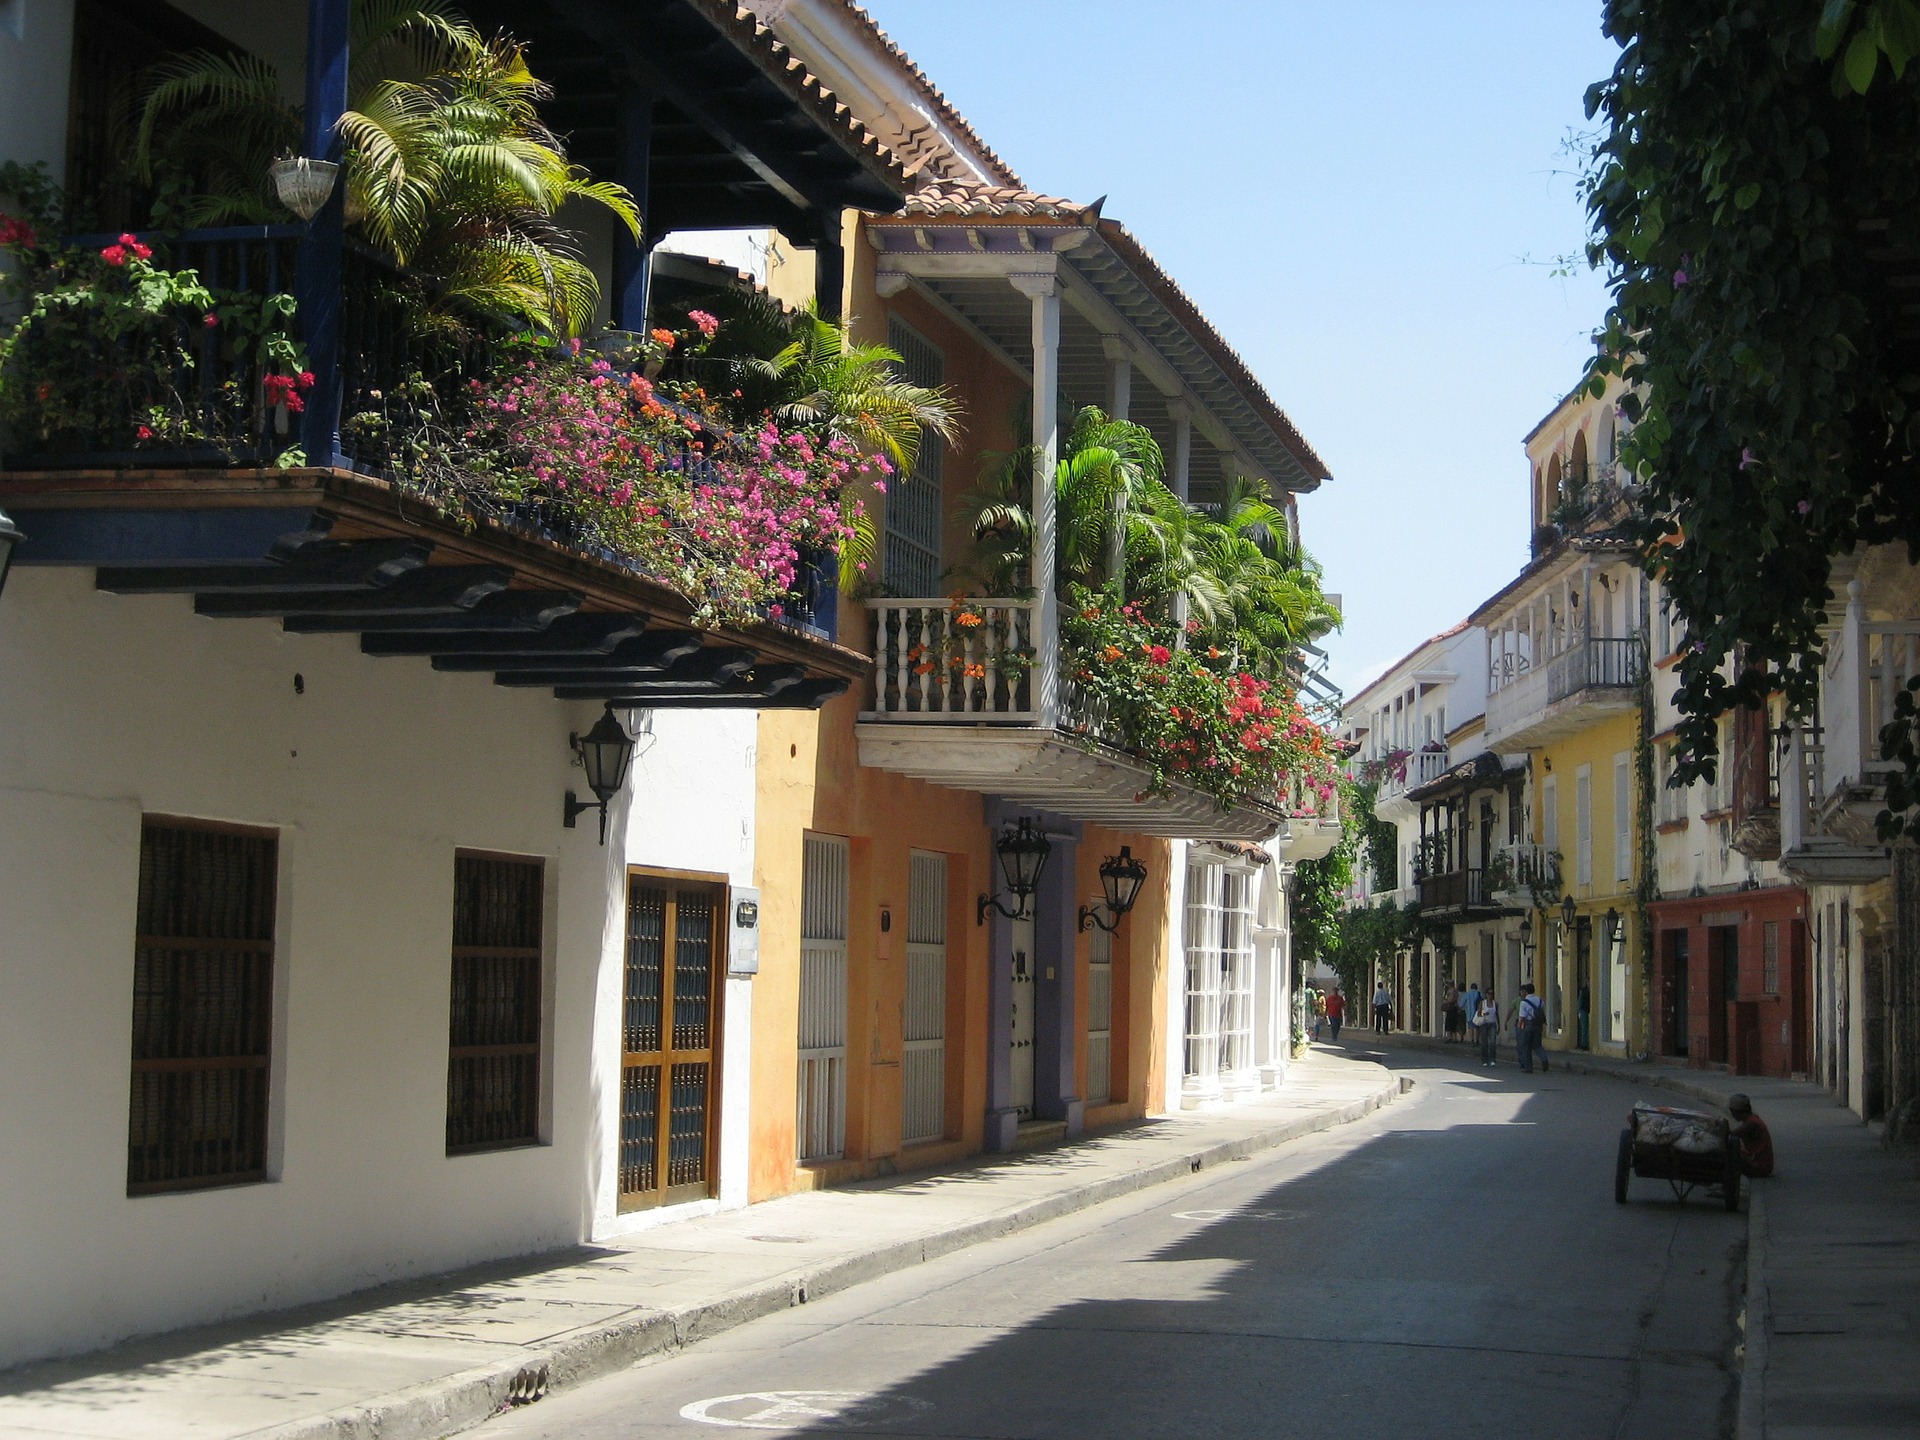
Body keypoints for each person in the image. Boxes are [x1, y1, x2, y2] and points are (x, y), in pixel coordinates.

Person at [1728, 1093, 1774, 1177]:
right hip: (1760, 1163)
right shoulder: (1752, 1119)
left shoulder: (1752, 1123)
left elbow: (1733, 1134)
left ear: (1737, 1111)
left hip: (1760, 1166)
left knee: (1727, 1158)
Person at [1511, 983, 1549, 1073]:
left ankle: (1528, 1067)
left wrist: (1520, 1028)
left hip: (1528, 1025)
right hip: (1538, 1025)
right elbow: (1542, 1010)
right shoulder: (1540, 1000)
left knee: (1526, 1047)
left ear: (1526, 991)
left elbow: (1522, 1017)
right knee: (1537, 1045)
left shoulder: (1524, 1003)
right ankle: (1544, 1058)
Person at [1473, 989, 1500, 1066]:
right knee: (1484, 1042)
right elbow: (1478, 1014)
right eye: (1488, 993)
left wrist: (1499, 1025)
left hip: (1492, 1024)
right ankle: (1485, 1060)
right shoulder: (1482, 1003)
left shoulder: (1495, 1004)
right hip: (1484, 1023)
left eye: (1491, 993)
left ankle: (1493, 1059)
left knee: (1493, 1042)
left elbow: (1497, 1014)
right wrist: (1484, 1014)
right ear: (1486, 994)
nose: (1490, 995)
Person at [1461, 980, 1483, 1048]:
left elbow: (1461, 1004)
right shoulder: (1479, 994)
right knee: (1476, 1028)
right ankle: (1477, 1041)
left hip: (1469, 1014)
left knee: (1471, 1028)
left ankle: (1472, 1041)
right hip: (1478, 1013)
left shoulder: (1467, 994)